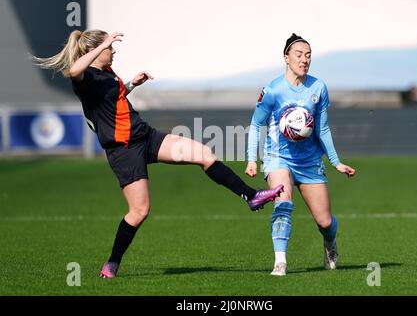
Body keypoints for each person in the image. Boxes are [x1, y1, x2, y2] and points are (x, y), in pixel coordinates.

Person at [32, 29, 283, 278]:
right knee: (139, 211)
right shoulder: (85, 78)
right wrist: (102, 45)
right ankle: (112, 263)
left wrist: (131, 84)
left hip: (146, 136)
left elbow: (112, 99)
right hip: (124, 150)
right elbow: (73, 71)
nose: (114, 51)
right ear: (94, 50)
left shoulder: (107, 73)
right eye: (110, 48)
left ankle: (251, 195)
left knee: (204, 154)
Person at [245, 33, 356, 276]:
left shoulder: (318, 87)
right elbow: (256, 124)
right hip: (278, 158)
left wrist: (336, 162)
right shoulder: (272, 90)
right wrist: (251, 158)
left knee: (325, 222)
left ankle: (330, 245)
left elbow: (322, 128)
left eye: (308, 55)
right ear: (286, 58)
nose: (304, 59)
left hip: (309, 160)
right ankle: (280, 262)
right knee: (283, 204)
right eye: (299, 54)